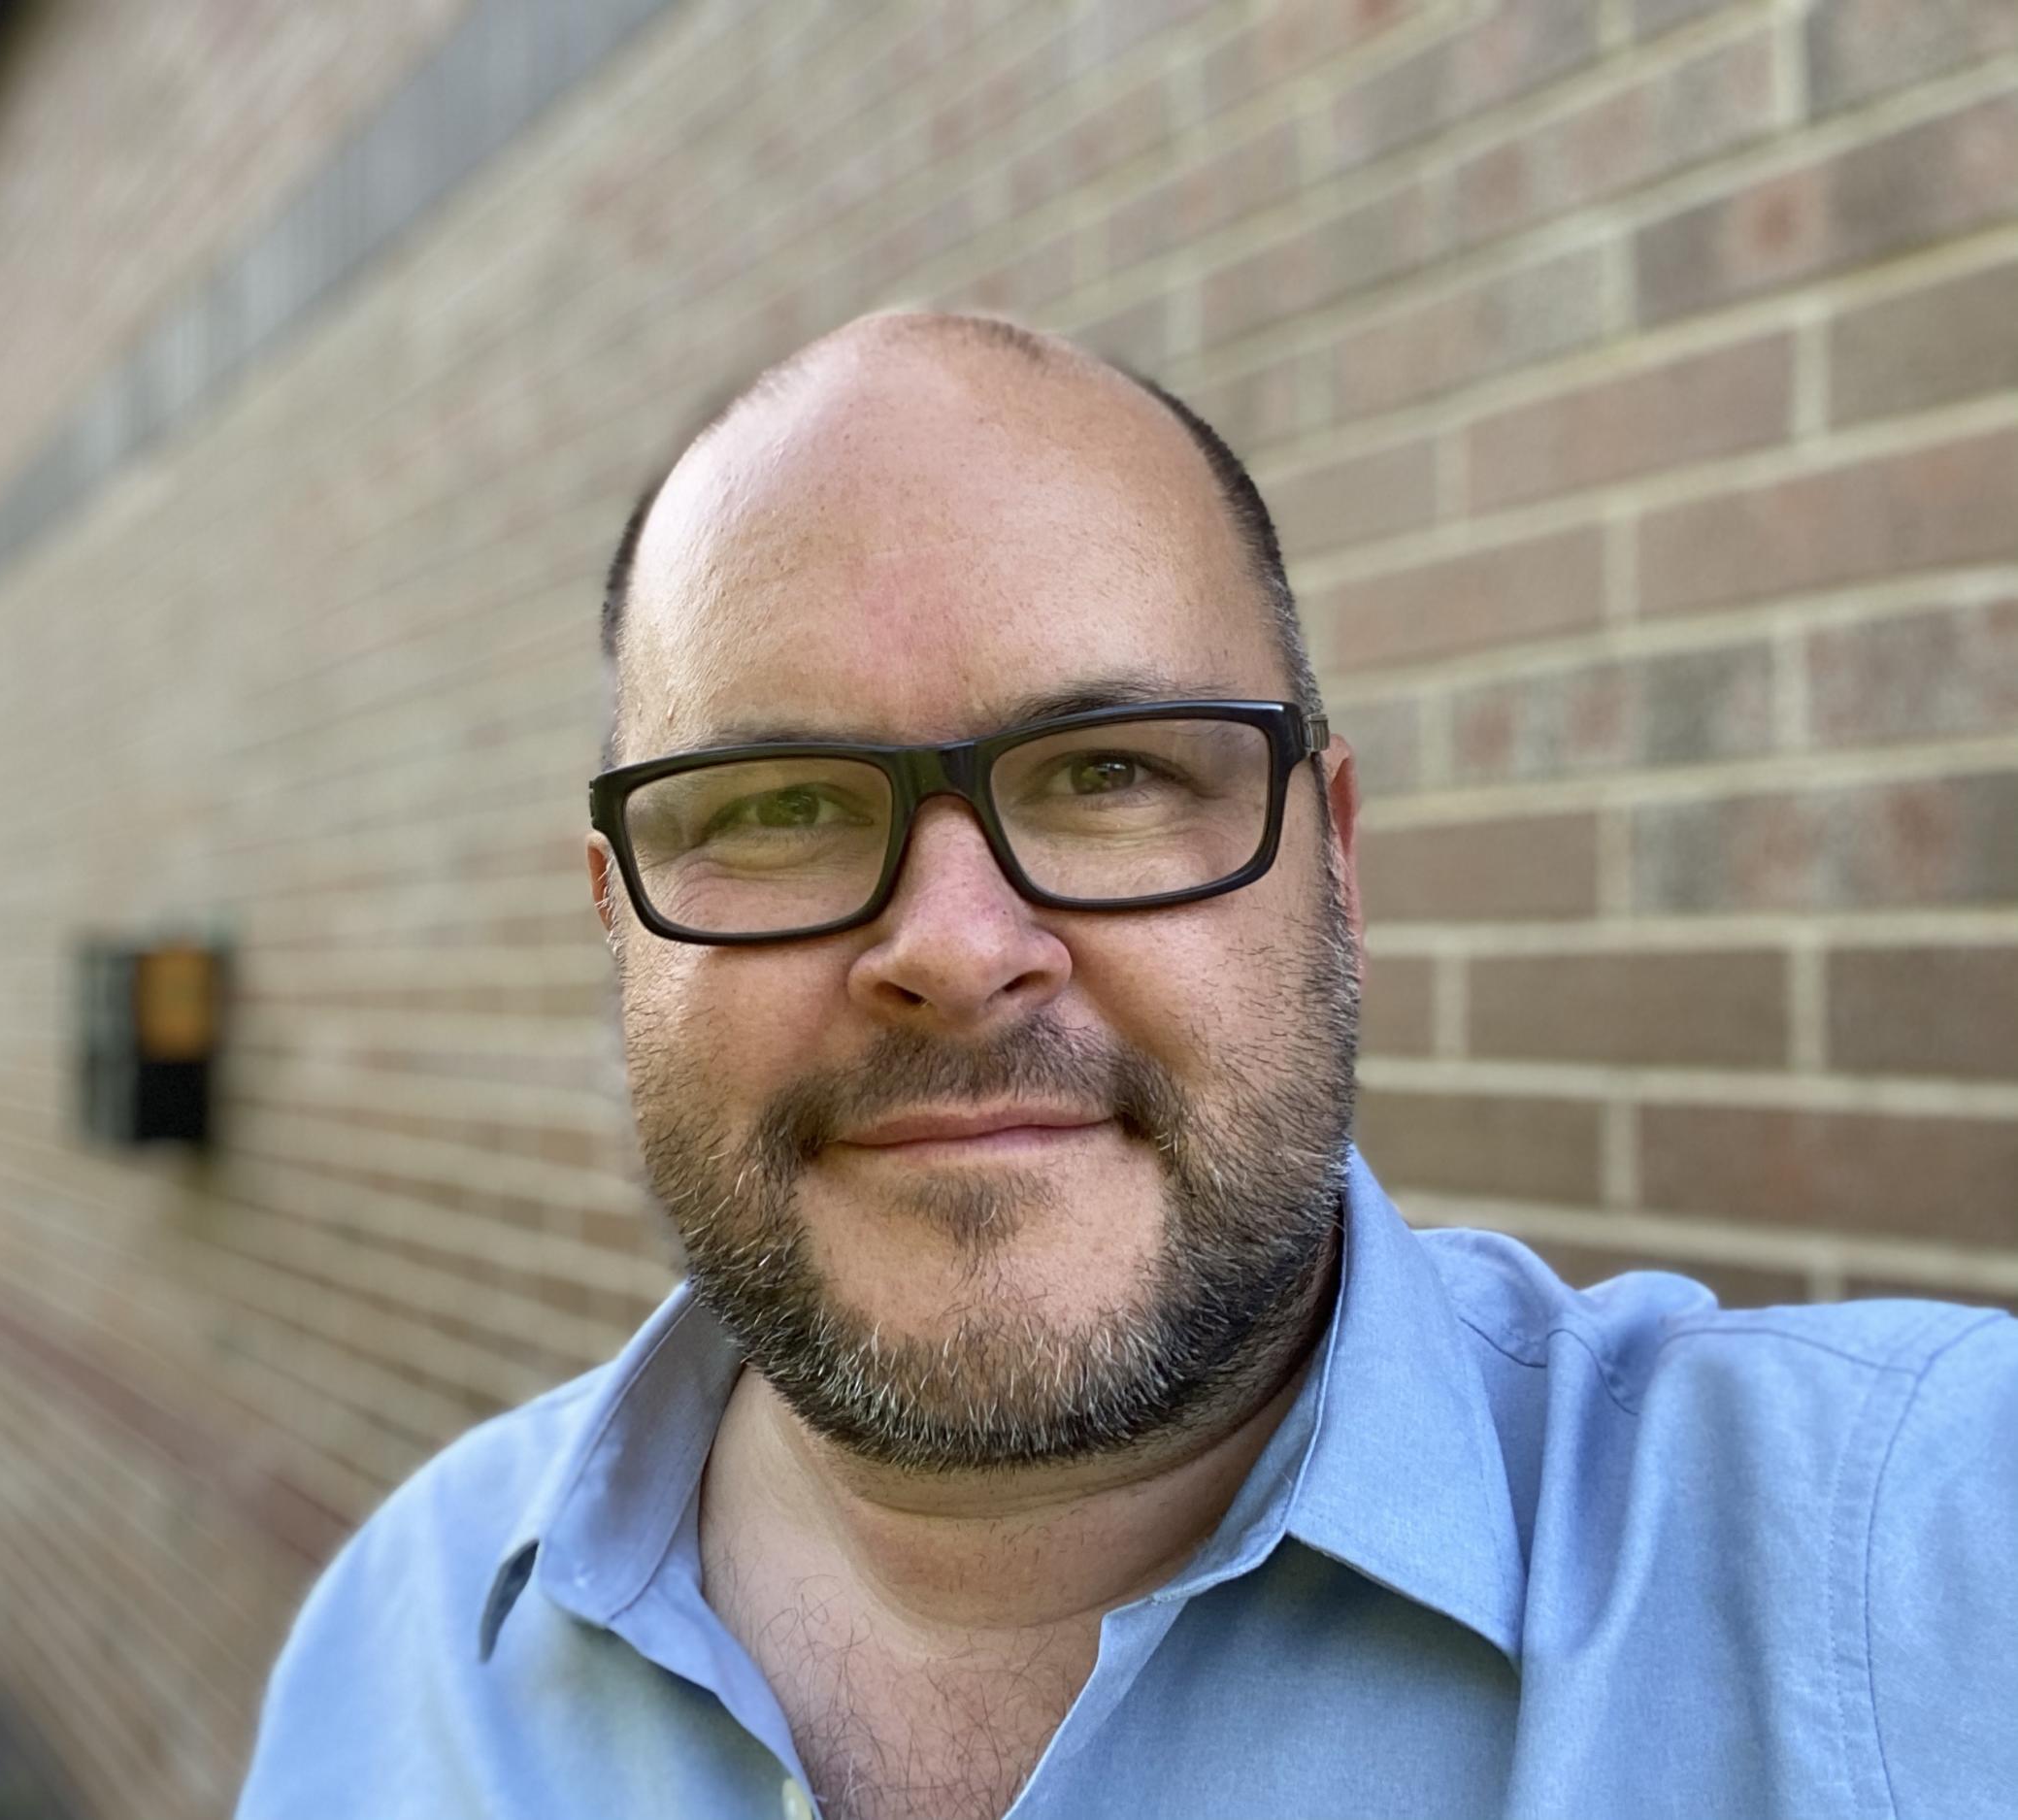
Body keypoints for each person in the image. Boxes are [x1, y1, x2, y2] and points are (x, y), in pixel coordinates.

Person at [235, 313, 2016, 1820]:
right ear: (618, 918)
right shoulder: (399, 1651)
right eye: (777, 809)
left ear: (1334, 863)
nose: (950, 946)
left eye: (1108, 775)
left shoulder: (1909, 1559)